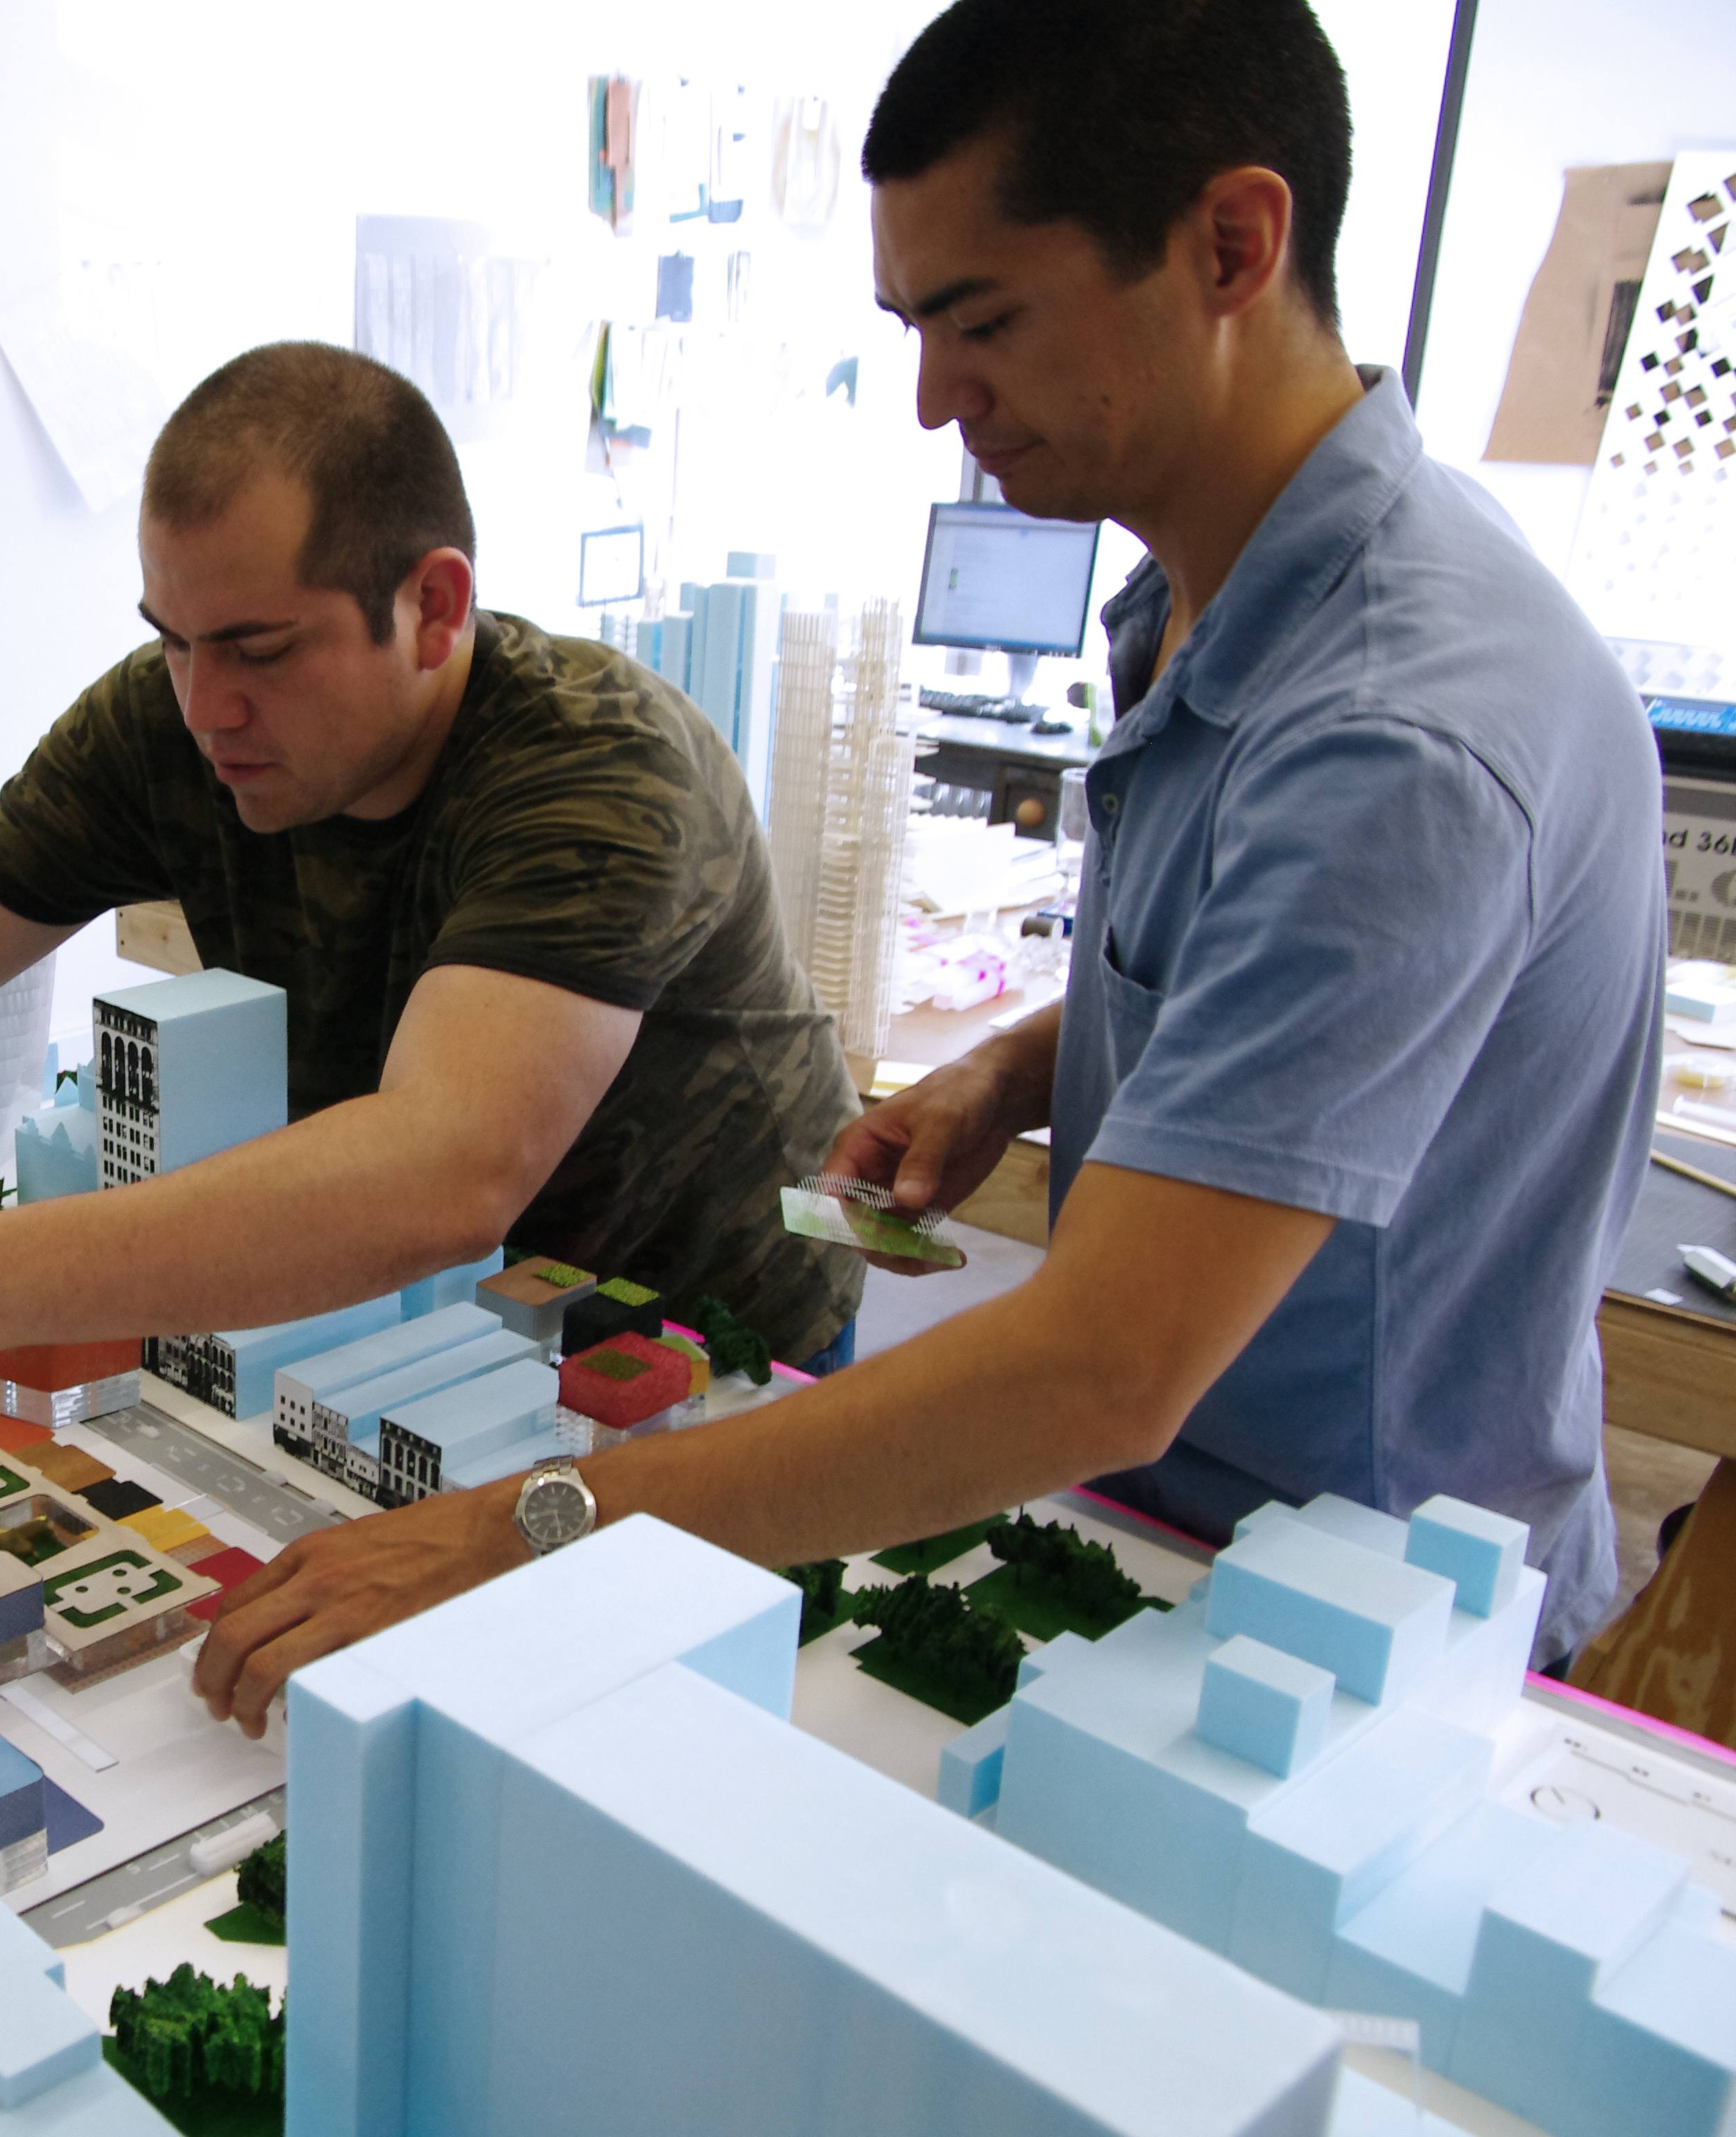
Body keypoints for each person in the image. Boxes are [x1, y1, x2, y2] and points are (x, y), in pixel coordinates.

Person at [187, 0, 1666, 1733]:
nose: (930, 402)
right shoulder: (1229, 587)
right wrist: (1020, 1066)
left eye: (981, 324)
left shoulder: (1397, 725)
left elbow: (1102, 1364)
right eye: (909, 326)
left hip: (1347, 1632)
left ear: (1230, 245)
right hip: (1166, 1537)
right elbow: (1308, 979)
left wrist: (536, 1530)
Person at [0, 339, 863, 1475]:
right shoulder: (172, 723)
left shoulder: (601, 767)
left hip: (712, 1343)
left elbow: (445, 1168)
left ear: (434, 608)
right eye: (172, 640)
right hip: (427, 1331)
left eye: (260, 650)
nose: (204, 705)